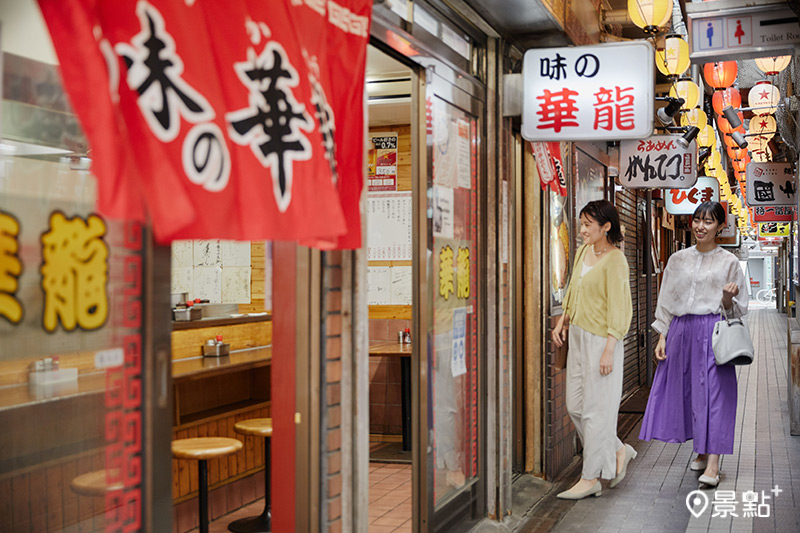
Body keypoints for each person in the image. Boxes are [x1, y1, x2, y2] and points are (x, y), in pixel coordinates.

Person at [639, 201, 748, 488]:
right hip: (681, 331)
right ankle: (700, 450)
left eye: (709, 221)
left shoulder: (729, 262)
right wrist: (662, 334)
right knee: (687, 393)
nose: (701, 226)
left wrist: (727, 298)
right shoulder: (678, 259)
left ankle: (713, 464)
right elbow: (667, 298)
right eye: (697, 220)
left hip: (713, 332)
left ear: (721, 226)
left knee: (715, 396)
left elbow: (737, 309)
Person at [552, 199, 634, 499]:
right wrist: (562, 320)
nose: (582, 229)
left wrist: (610, 348)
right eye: (582, 223)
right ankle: (616, 449)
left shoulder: (616, 261)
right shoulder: (585, 252)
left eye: (588, 224)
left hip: (603, 339)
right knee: (575, 405)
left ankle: (591, 478)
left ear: (606, 226)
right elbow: (573, 290)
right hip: (577, 337)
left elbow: (621, 307)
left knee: (596, 413)